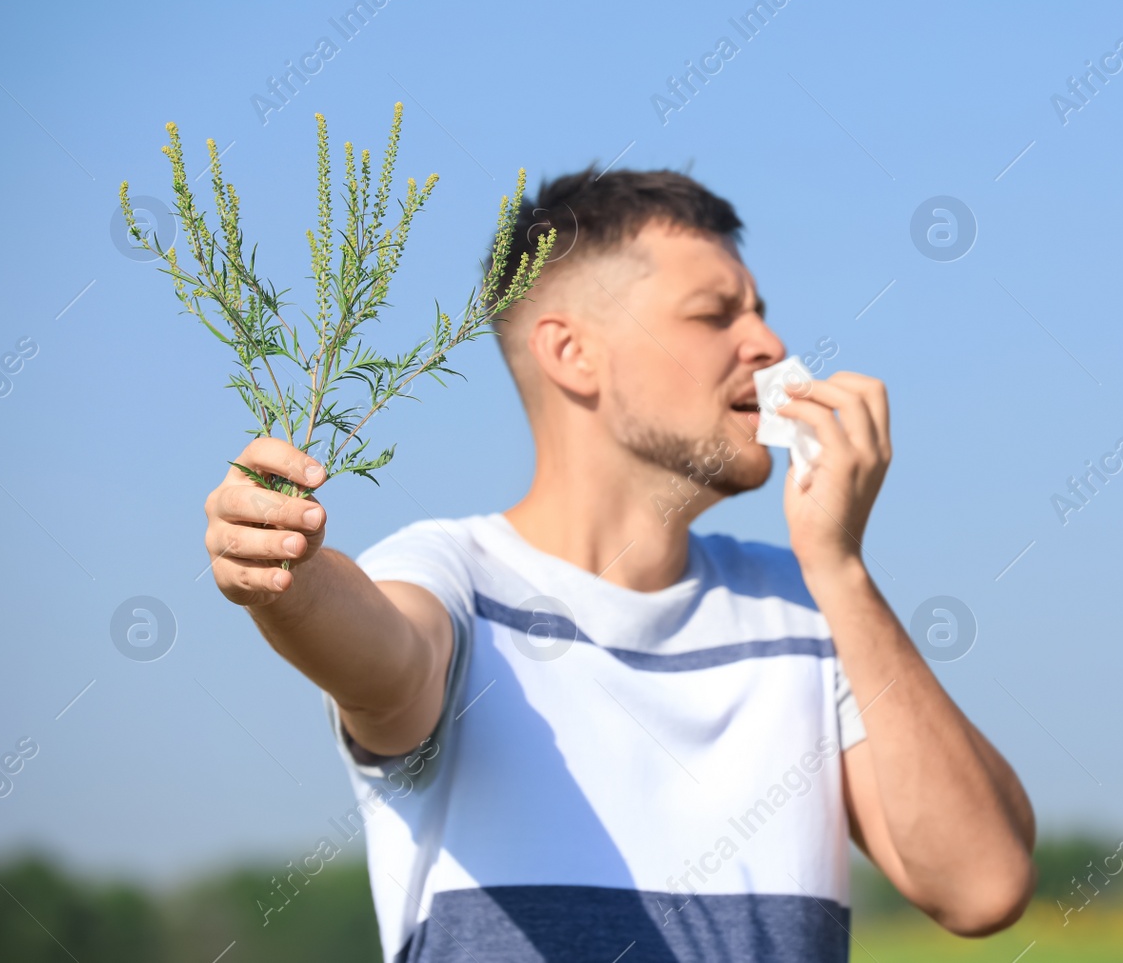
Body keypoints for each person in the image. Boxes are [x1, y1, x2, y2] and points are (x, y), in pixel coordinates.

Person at [201, 167, 1036, 962]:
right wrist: (285, 577)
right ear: (573, 353)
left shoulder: (809, 605)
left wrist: (842, 567)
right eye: (716, 315)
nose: (771, 343)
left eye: (761, 311)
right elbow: (385, 659)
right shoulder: (455, 576)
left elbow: (982, 885)